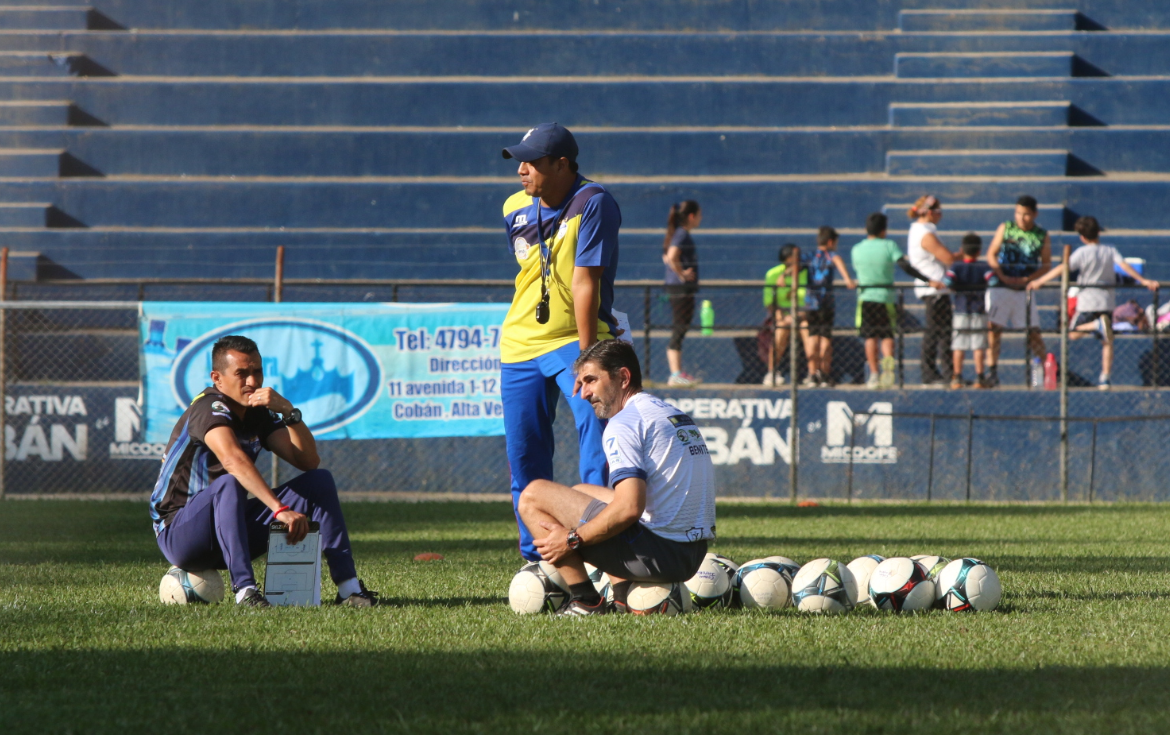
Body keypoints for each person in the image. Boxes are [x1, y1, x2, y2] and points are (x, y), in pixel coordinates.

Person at [150, 335, 378, 608]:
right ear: (217, 378)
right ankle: (246, 592)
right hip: (180, 534)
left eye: (257, 371)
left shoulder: (257, 412)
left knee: (319, 481)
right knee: (229, 483)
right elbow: (233, 460)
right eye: (241, 374)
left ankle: (349, 590)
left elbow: (307, 461)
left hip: (229, 528)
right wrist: (280, 510)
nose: (252, 382)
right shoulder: (208, 408)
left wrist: (289, 412)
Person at [517, 339, 715, 616]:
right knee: (583, 490)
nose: (584, 393)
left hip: (661, 555)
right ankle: (621, 596)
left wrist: (572, 540)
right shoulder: (669, 412)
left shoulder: (625, 423)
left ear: (623, 377)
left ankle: (586, 600)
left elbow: (629, 508)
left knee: (532, 495)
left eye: (591, 380)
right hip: (692, 553)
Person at [500, 123, 621, 561]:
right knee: (525, 458)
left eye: (532, 162)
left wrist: (588, 360)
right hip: (518, 346)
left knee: (599, 448)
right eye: (519, 162)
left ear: (563, 164)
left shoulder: (594, 202)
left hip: (577, 339)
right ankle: (540, 559)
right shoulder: (514, 207)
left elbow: (586, 283)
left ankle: (603, 552)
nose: (522, 170)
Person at [1027, 215, 1157, 390]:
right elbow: (1125, 266)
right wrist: (1143, 281)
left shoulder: (1082, 252)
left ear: (1082, 236)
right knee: (1107, 341)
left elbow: (1063, 267)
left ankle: (1095, 325)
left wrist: (1040, 281)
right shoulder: (1110, 250)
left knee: (1072, 333)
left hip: (1088, 303)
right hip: (1107, 302)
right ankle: (1105, 377)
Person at [850, 212, 945, 389]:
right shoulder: (888, 245)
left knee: (870, 337)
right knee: (887, 335)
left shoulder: (856, 249)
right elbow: (904, 265)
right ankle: (888, 371)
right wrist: (927, 280)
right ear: (884, 230)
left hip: (865, 297)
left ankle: (874, 374)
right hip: (886, 296)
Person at [985, 195, 1051, 387]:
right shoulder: (1006, 228)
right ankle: (992, 372)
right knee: (993, 329)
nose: (1022, 218)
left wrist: (1027, 279)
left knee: (1033, 331)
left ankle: (1050, 370)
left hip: (1024, 290)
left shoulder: (1041, 235)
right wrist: (1001, 274)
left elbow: (1046, 265)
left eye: (1026, 214)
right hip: (1002, 288)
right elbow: (991, 254)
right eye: (1019, 213)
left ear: (1034, 214)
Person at [907, 195, 956, 385]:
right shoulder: (924, 233)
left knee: (939, 333)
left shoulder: (923, 230)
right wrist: (959, 255)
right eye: (938, 211)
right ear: (930, 212)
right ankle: (936, 373)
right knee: (938, 334)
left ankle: (943, 372)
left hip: (935, 290)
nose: (941, 215)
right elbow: (947, 258)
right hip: (934, 291)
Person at [802, 226, 857, 386]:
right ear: (831, 241)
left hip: (810, 302)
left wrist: (785, 275)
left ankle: (812, 374)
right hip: (826, 303)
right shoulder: (830, 255)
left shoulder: (811, 256)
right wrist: (847, 279)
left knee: (812, 337)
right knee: (825, 337)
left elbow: (795, 264)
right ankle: (824, 374)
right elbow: (837, 260)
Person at [942, 233, 996, 389]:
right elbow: (993, 280)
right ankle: (980, 377)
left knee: (959, 345)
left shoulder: (957, 267)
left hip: (961, 310)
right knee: (978, 345)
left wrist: (958, 287)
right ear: (979, 251)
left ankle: (957, 377)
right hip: (978, 310)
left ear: (962, 249)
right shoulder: (983, 267)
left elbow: (948, 281)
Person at [663, 200, 702, 387]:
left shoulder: (678, 234)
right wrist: (682, 274)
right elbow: (671, 256)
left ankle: (677, 373)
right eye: (699, 215)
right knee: (679, 328)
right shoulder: (681, 234)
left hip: (680, 288)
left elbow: (667, 256)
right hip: (680, 289)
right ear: (692, 216)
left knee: (681, 328)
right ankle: (675, 374)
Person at [761, 243, 808, 387]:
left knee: (807, 329)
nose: (796, 261)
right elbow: (770, 302)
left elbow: (811, 300)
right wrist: (780, 316)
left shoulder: (807, 273)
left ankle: (813, 373)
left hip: (803, 315)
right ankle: (772, 372)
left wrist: (799, 315)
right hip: (783, 315)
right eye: (792, 258)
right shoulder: (773, 274)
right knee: (780, 329)